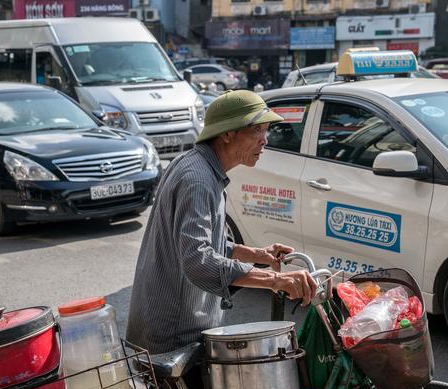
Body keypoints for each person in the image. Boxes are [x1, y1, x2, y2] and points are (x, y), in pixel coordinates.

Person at [126, 90, 318, 358]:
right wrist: (277, 280)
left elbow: (191, 241)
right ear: (228, 134)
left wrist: (255, 254)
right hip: (174, 334)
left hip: (167, 325)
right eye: (257, 130)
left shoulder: (197, 166)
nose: (265, 140)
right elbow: (197, 259)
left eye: (267, 130)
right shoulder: (198, 180)